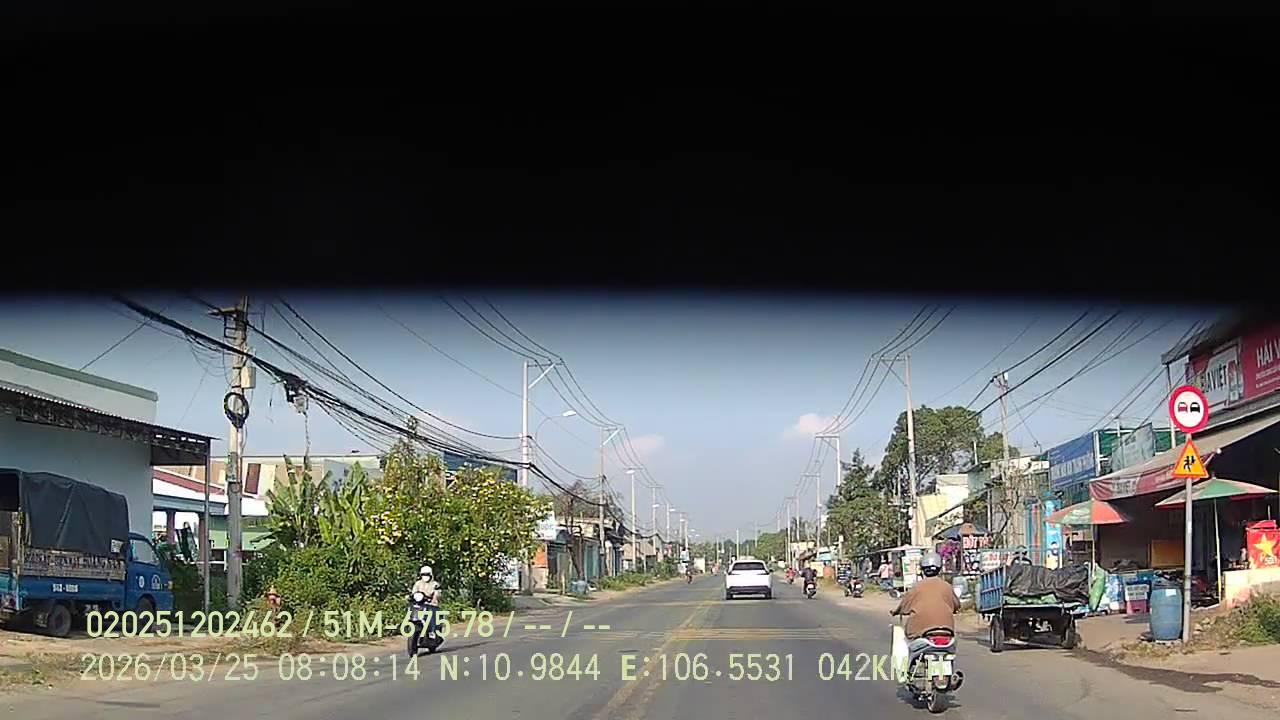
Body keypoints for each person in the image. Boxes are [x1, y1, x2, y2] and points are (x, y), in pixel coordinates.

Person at [890, 551, 960, 676]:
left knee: (905, 641)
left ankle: (905, 671)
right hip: (947, 631)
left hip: (921, 632)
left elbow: (904, 605)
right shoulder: (947, 587)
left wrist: (896, 611)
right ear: (939, 569)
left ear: (922, 570)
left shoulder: (917, 587)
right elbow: (956, 605)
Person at [411, 565, 442, 635]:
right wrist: (410, 597)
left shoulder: (435, 584)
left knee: (432, 613)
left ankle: (432, 631)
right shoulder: (418, 583)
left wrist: (435, 597)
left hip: (431, 605)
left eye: (427, 574)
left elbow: (438, 594)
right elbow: (413, 592)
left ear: (431, 575)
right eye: (423, 574)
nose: (425, 576)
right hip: (420, 604)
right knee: (412, 610)